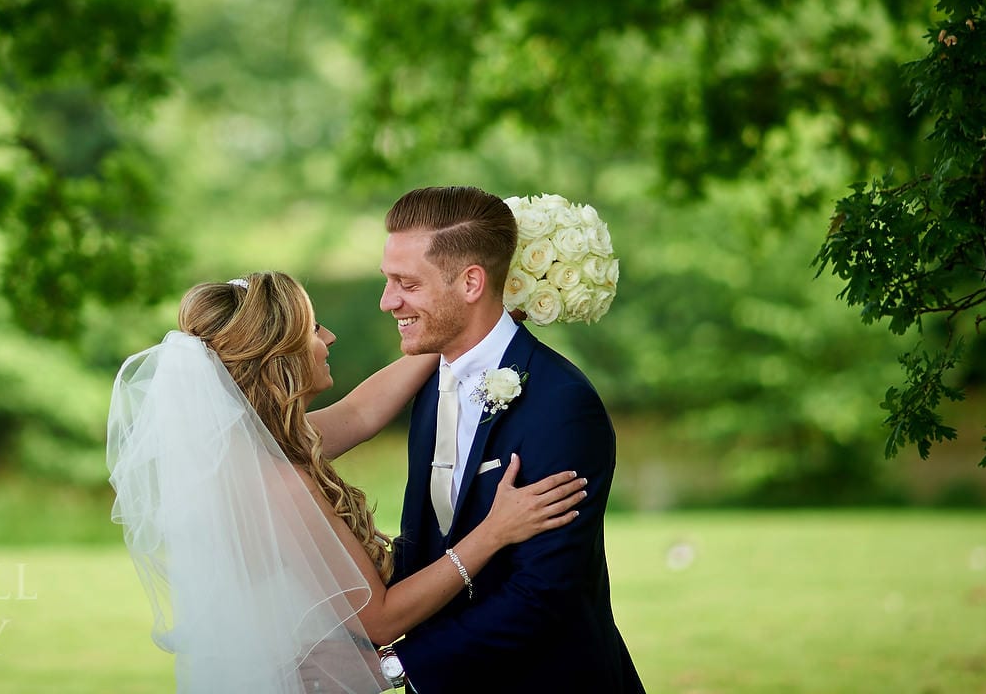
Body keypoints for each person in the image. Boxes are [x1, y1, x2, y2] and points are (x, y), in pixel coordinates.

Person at [107, 271, 587, 694]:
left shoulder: (254, 450)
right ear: (280, 356)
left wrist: (470, 329)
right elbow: (380, 620)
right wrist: (494, 532)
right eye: (314, 328)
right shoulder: (279, 481)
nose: (330, 337)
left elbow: (362, 412)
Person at [377, 186, 645, 692]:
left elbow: (543, 592)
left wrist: (399, 666)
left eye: (406, 283)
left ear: (472, 282)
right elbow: (434, 543)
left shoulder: (562, 404)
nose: (388, 301)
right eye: (388, 281)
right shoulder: (432, 387)